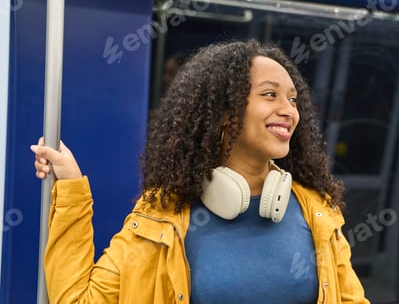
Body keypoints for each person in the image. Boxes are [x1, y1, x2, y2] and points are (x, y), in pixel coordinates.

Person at [31, 40, 370, 303]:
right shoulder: (161, 217)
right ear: (224, 112)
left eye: (293, 100)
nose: (288, 111)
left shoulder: (317, 212)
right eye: (270, 95)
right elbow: (79, 300)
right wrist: (72, 186)